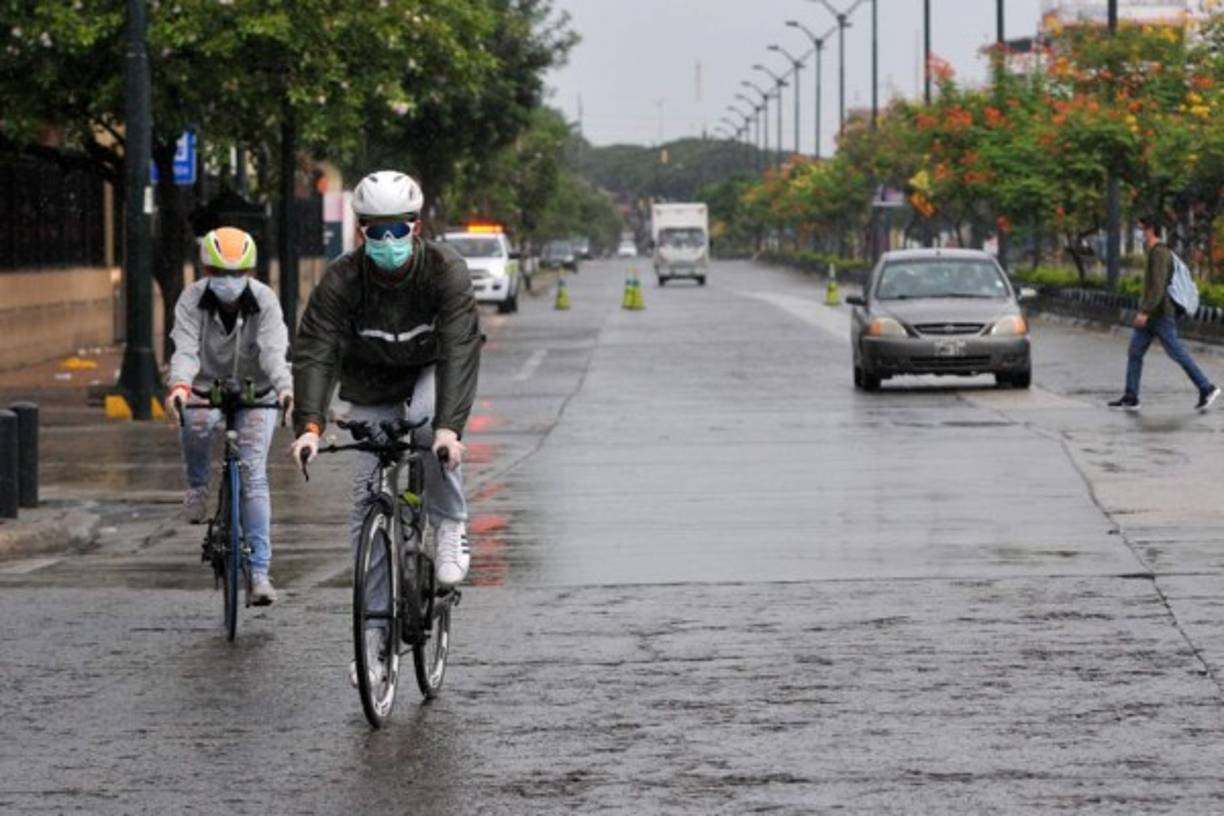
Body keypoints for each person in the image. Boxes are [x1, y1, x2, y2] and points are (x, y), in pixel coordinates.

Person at [287, 171, 481, 686]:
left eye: (398, 229)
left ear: (416, 227)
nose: (388, 240)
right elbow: (316, 350)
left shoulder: (445, 270)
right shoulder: (342, 279)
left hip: (429, 371)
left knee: (429, 431)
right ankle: (375, 638)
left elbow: (460, 348)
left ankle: (450, 525)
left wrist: (450, 429)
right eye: (377, 230)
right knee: (365, 503)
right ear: (361, 232)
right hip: (371, 383)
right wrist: (309, 425)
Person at [165, 227, 293, 605]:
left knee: (253, 475)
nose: (229, 281)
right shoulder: (191, 300)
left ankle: (260, 574)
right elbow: (185, 349)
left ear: (250, 272)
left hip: (257, 391)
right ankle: (197, 486)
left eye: (237, 273)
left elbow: (273, 352)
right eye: (220, 273)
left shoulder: (265, 301)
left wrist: (285, 389)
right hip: (205, 387)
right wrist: (179, 386)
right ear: (206, 270)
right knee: (195, 423)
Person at [1108, 214, 1219, 412]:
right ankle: (1131, 397)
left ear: (1151, 229)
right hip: (1152, 315)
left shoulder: (1159, 253)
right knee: (1135, 352)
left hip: (1159, 314)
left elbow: (1158, 287)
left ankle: (1206, 387)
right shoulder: (1154, 251)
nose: (1141, 233)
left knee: (1177, 352)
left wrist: (1145, 311)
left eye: (1142, 229)